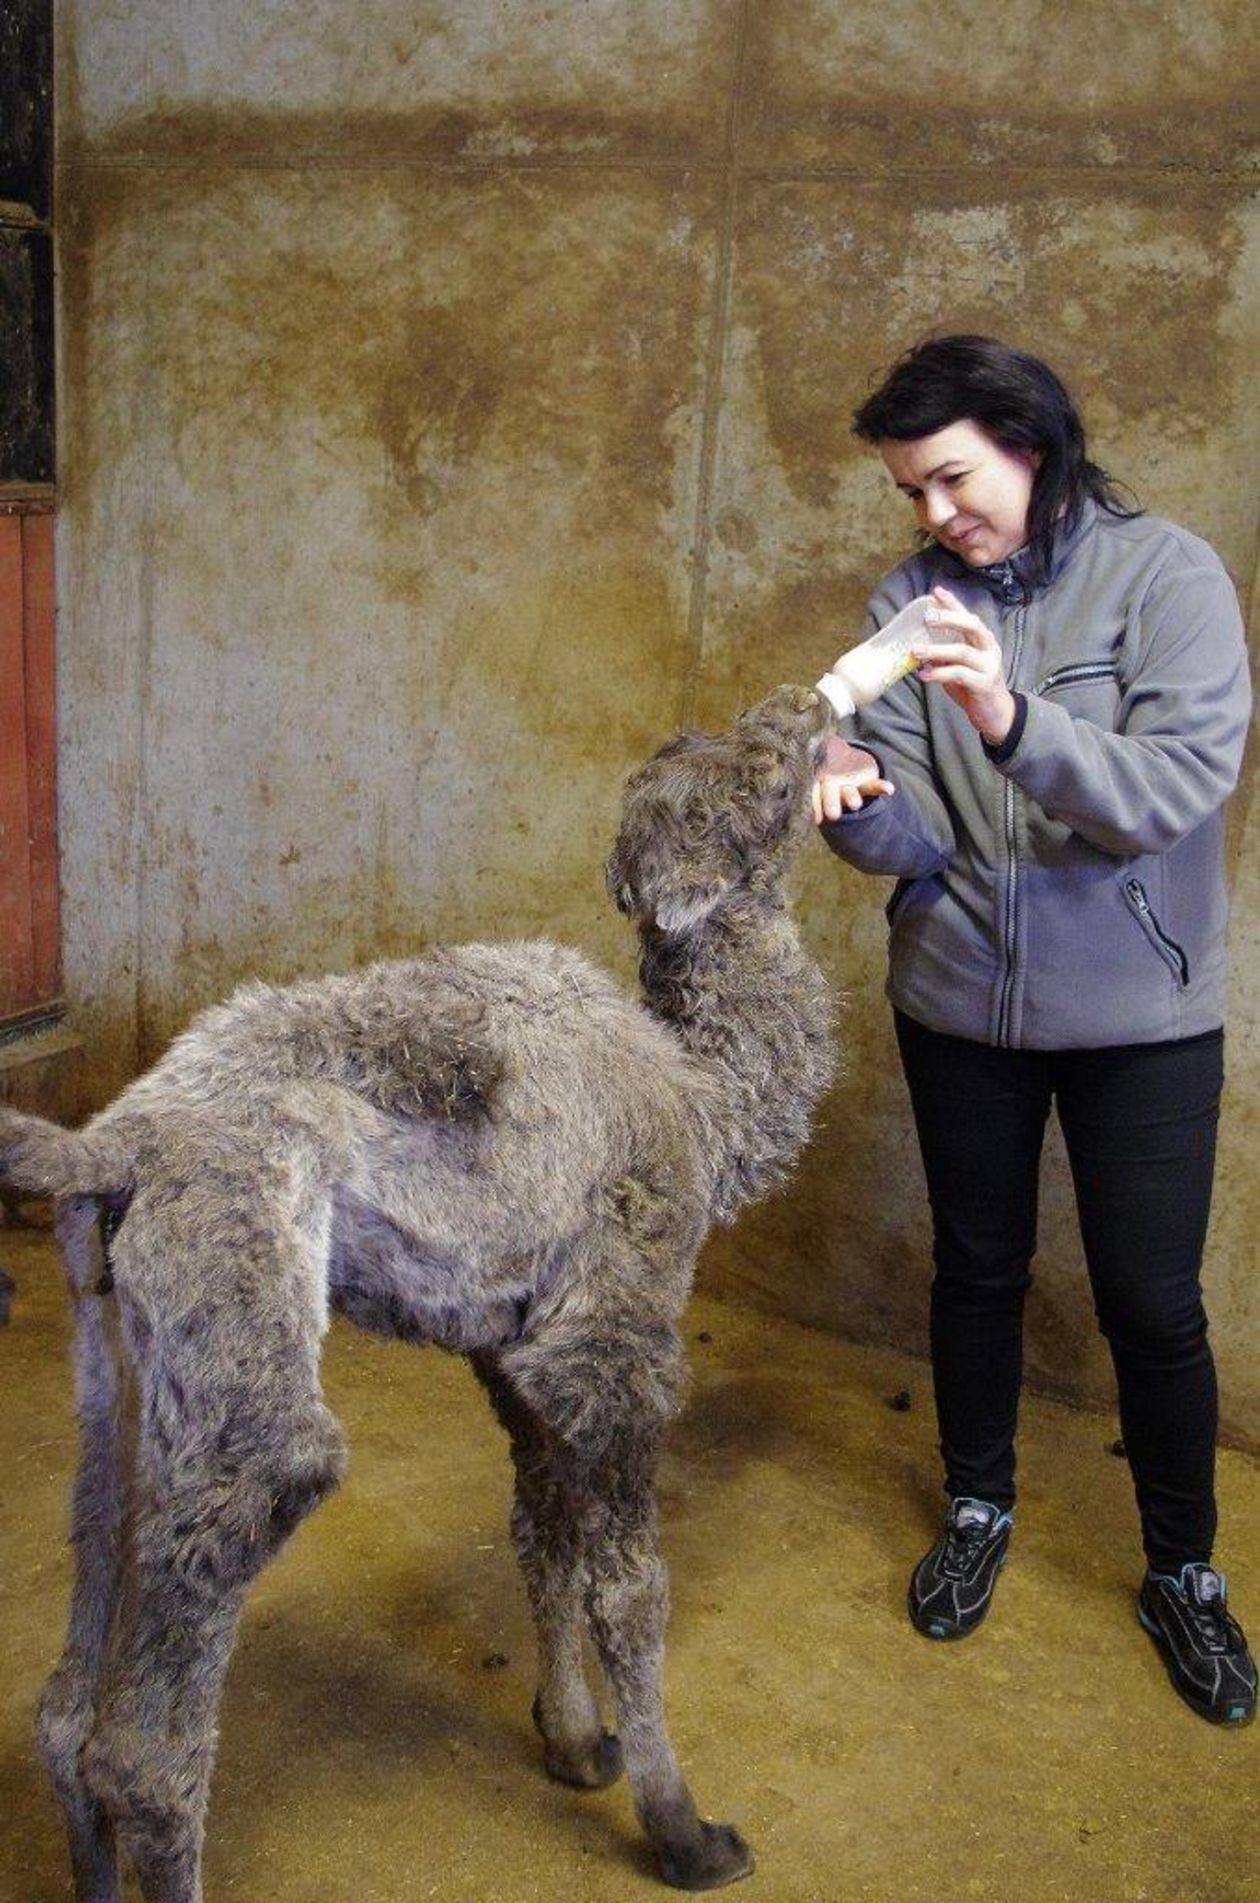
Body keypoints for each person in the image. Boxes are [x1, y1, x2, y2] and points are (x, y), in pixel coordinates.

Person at [814, 334, 1255, 1727]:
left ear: (1029, 440)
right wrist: (853, 795)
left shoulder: (1168, 578)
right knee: (979, 1271)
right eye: (913, 495)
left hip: (1142, 1014)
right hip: (961, 1008)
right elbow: (916, 840)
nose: (937, 518)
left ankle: (1183, 1571)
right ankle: (981, 1505)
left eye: (952, 480)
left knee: (1150, 1303)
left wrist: (1004, 711)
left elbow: (1170, 792)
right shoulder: (908, 600)